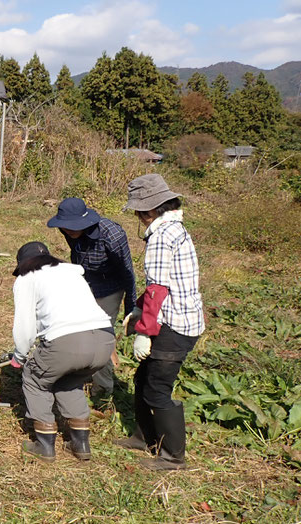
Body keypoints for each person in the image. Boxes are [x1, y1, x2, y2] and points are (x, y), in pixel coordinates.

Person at [115, 174, 204, 471]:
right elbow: (162, 286)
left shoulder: (161, 236)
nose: (139, 218)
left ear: (150, 210)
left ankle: (173, 456)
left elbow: (157, 289)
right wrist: (140, 309)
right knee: (142, 379)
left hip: (175, 325)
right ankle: (145, 437)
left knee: (157, 388)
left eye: (140, 212)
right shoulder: (175, 228)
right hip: (181, 317)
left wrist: (145, 331)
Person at [10, 241, 115, 463]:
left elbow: (24, 326)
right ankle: (81, 444)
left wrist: (19, 356)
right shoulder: (72, 273)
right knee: (68, 380)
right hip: (105, 340)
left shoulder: (26, 279)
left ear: (23, 265)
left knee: (34, 378)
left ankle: (44, 446)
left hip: (69, 342)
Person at [46, 198, 137, 396]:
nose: (67, 230)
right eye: (64, 226)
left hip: (110, 288)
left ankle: (102, 390)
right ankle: (76, 372)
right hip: (84, 284)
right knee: (75, 329)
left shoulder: (112, 235)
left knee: (100, 336)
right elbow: (77, 255)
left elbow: (127, 271)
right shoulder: (68, 231)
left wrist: (131, 307)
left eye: (72, 226)